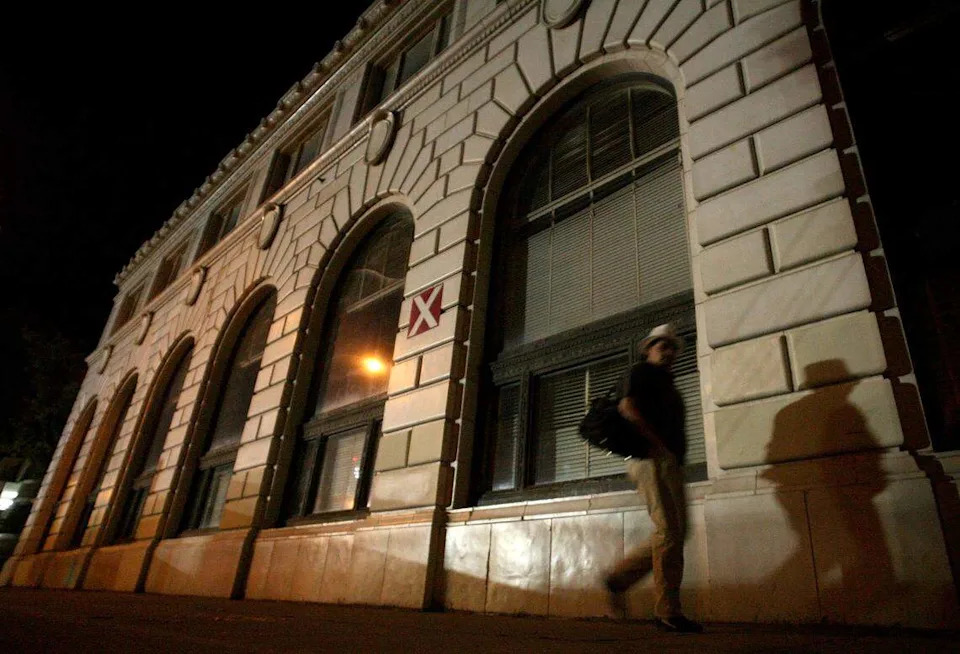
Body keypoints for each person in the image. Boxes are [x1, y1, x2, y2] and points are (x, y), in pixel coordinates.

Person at [604, 323, 703, 633]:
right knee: (669, 531)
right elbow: (627, 407)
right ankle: (668, 612)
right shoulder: (642, 373)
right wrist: (658, 446)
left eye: (673, 347)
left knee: (676, 532)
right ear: (648, 348)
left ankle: (619, 579)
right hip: (651, 459)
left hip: (668, 461)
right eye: (663, 346)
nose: (670, 351)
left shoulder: (666, 382)